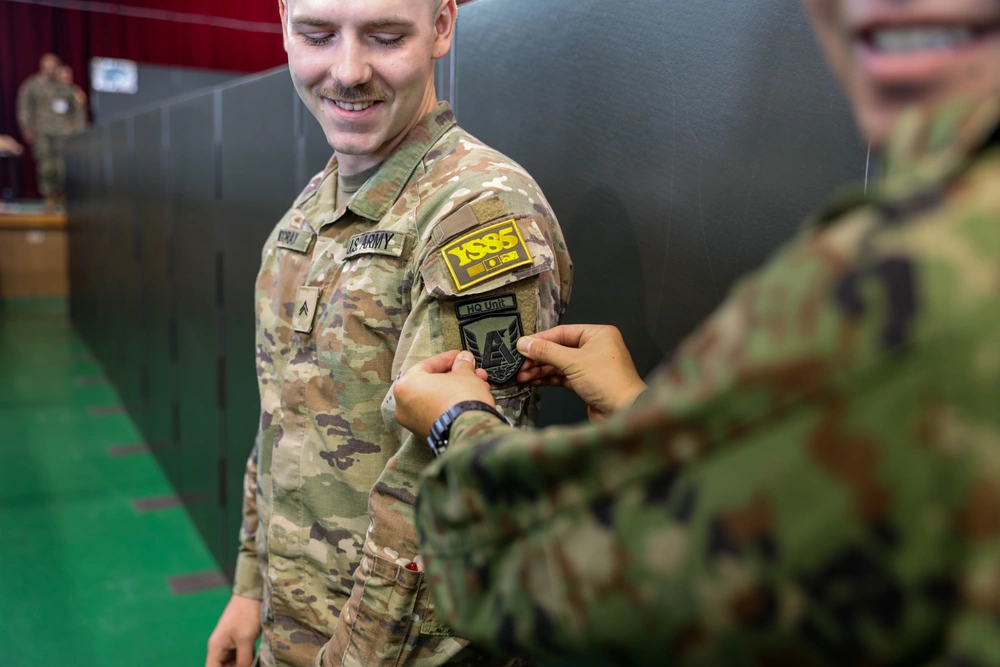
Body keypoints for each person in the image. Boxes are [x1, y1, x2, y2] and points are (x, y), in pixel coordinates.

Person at [394, 0, 1000, 664]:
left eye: (385, 32)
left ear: (442, 26)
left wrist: (462, 423)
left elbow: (584, 576)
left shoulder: (902, 282)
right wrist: (636, 409)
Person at [204, 0, 572, 665]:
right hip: (298, 626)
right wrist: (251, 588)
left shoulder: (476, 217)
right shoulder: (310, 213)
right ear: (284, 21)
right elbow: (280, 419)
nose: (347, 71)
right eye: (318, 34)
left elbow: (439, 505)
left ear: (441, 26)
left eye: (384, 35)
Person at [16, 54, 83, 212]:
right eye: (46, 66)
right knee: (46, 166)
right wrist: (26, 128)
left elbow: (78, 108)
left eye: (53, 66)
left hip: (64, 134)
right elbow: (24, 107)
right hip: (42, 133)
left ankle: (63, 195)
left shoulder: (66, 86)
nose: (49, 69)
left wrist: (77, 130)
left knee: (63, 166)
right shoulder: (32, 85)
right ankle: (49, 197)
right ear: (41, 66)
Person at [56, 65, 89, 132]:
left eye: (67, 75)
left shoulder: (77, 92)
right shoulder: (49, 92)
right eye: (62, 75)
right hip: (50, 131)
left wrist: (80, 130)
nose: (65, 76)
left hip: (69, 131)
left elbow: (80, 113)